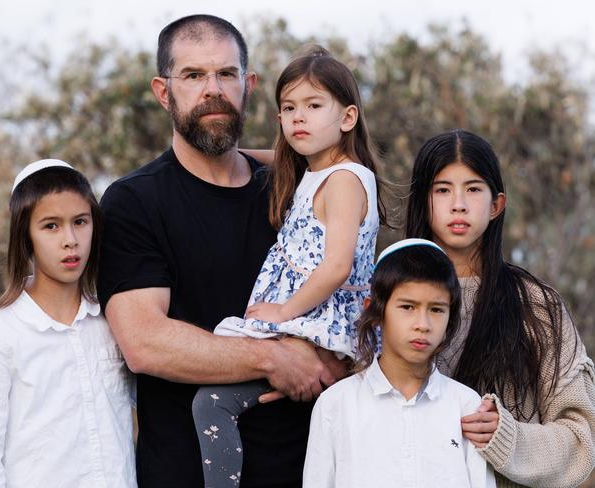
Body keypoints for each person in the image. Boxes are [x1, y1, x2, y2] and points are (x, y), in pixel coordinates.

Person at [97, 15, 346, 487]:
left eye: (227, 74)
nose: (213, 89)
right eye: (193, 75)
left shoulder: (294, 193)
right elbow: (145, 343)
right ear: (163, 91)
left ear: (248, 84)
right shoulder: (136, 202)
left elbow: (351, 286)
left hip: (311, 471)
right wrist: (273, 358)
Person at [192, 46, 385, 487]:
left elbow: (337, 266)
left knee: (211, 404)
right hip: (305, 324)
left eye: (314, 106)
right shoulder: (317, 171)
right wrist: (233, 154)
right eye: (288, 108)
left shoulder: (344, 181)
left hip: (316, 325)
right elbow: (274, 157)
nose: (299, 117)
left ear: (348, 117)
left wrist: (284, 311)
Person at [405, 129, 595, 487]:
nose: (458, 204)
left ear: (496, 205)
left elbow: (584, 438)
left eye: (473, 189)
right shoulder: (386, 301)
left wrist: (508, 437)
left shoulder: (537, 305)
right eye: (442, 190)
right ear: (422, 201)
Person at [0, 159, 136, 487]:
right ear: (25, 235)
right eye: (51, 225)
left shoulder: (114, 320)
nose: (70, 239)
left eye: (80, 222)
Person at [303, 238, 496, 487]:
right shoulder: (335, 405)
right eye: (407, 307)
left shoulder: (467, 407)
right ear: (375, 312)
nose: (423, 324)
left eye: (436, 310)